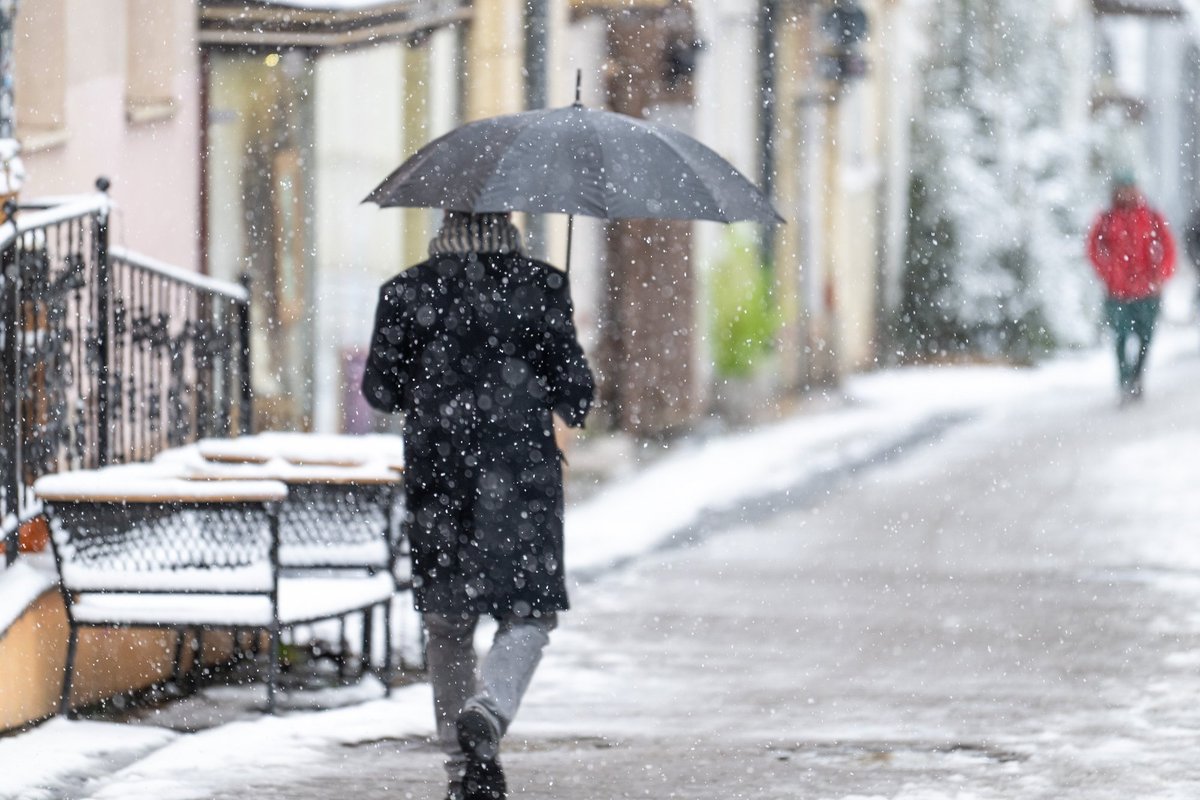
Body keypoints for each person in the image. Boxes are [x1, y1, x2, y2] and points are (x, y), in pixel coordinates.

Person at [362, 211, 595, 800]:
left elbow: (380, 391)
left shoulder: (406, 289)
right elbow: (577, 394)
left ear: (445, 220)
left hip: (438, 476)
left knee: (447, 623)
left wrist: (431, 379)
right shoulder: (541, 285)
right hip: (518, 477)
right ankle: (488, 713)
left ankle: (464, 773)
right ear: (507, 223)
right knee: (529, 613)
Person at [1086, 175, 1176, 403]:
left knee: (1146, 338)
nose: (1126, 194)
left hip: (1147, 292)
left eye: (1130, 189)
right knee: (1120, 337)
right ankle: (1124, 380)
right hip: (1118, 293)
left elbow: (1168, 248)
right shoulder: (1106, 219)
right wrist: (1108, 273)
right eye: (1122, 189)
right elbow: (1093, 249)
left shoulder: (1152, 217)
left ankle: (1137, 376)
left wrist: (1161, 276)